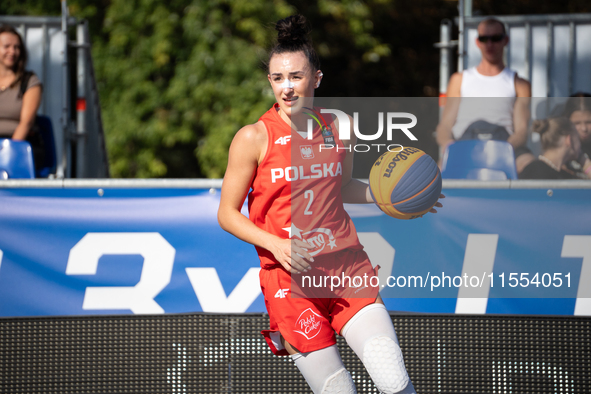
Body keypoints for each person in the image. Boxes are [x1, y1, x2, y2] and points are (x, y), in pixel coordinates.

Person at [218, 15, 441, 394]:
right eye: (277, 78)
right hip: (289, 280)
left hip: (345, 266)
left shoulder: (338, 126)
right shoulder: (253, 137)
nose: (287, 88)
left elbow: (342, 186)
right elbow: (226, 213)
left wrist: (393, 196)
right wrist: (275, 243)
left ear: (316, 78)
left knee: (393, 378)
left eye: (296, 77)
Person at [435, 17, 533, 173]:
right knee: (435, 174)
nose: (489, 44)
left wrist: (503, 149)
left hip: (504, 143)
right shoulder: (459, 79)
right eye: (484, 38)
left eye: (495, 38)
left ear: (505, 40)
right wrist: (449, 144)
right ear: (477, 42)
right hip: (464, 142)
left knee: (531, 166)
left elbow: (521, 130)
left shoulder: (519, 83)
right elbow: (445, 125)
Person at [0, 25, 42, 141]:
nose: (12, 52)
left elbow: (26, 123)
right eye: (6, 46)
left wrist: (9, 151)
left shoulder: (29, 81)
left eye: (16, 47)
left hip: (17, 145)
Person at [519, 117, 591, 180]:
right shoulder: (537, 171)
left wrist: (585, 163)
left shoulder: (562, 174)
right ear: (569, 140)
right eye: (577, 138)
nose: (580, 145)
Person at [562, 93, 591, 177]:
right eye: (577, 123)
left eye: (589, 122)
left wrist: (584, 162)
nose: (584, 128)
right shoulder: (558, 144)